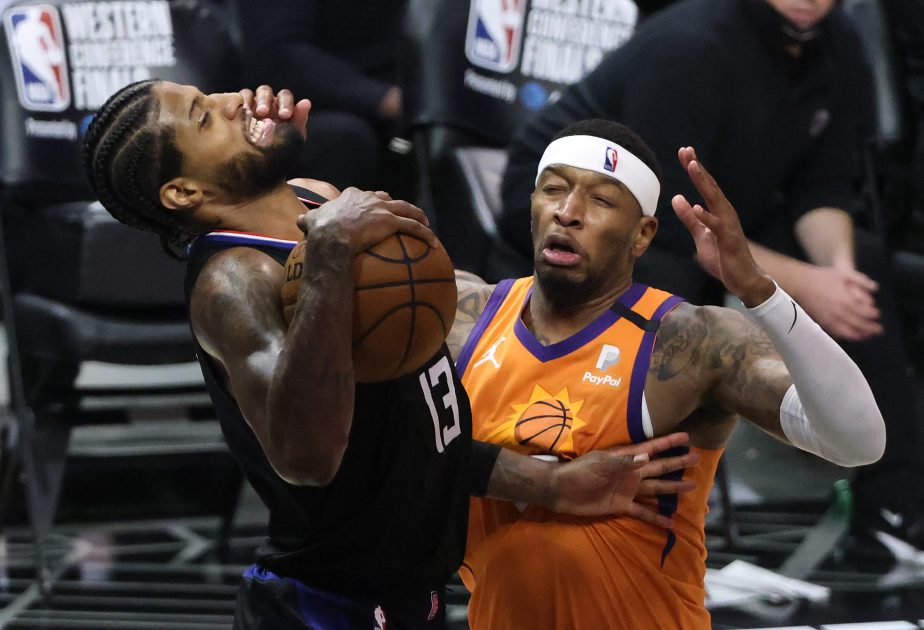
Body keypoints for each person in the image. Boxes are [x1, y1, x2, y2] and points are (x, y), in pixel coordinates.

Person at [81, 80, 698, 629]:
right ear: (185, 189)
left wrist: (549, 484)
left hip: (412, 596)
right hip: (322, 605)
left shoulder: (313, 197)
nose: (231, 99)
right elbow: (307, 455)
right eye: (205, 117)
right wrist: (328, 261)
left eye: (208, 94)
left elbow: (414, 428)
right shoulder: (232, 281)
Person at [498, 0, 924, 553]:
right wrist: (805, 285)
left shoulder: (840, 45)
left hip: (726, 201)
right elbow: (667, 224)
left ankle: (895, 504)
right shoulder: (691, 46)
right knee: (666, 277)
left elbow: (824, 184)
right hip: (600, 207)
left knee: (863, 269)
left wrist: (837, 275)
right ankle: (630, 492)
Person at [452, 118, 885, 629]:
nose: (567, 213)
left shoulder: (689, 341)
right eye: (554, 190)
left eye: (601, 201)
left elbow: (859, 441)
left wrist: (761, 294)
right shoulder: (460, 316)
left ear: (643, 235)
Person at [237, 0, 410, 196]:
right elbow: (277, 55)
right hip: (323, 103)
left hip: (405, 79)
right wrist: (383, 98)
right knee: (344, 137)